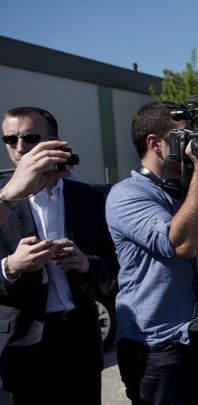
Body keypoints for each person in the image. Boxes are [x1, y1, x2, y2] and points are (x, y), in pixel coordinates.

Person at [105, 101, 198, 404]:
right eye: (185, 137)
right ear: (155, 144)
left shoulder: (189, 194)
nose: (194, 146)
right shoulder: (127, 195)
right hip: (154, 346)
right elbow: (182, 245)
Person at [0, 106, 117, 404]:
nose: (19, 148)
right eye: (10, 140)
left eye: (29, 137)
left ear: (54, 142)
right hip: (22, 340)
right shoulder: (2, 200)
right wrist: (10, 267)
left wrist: (85, 264)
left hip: (78, 335)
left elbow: (112, 262)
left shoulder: (87, 197)